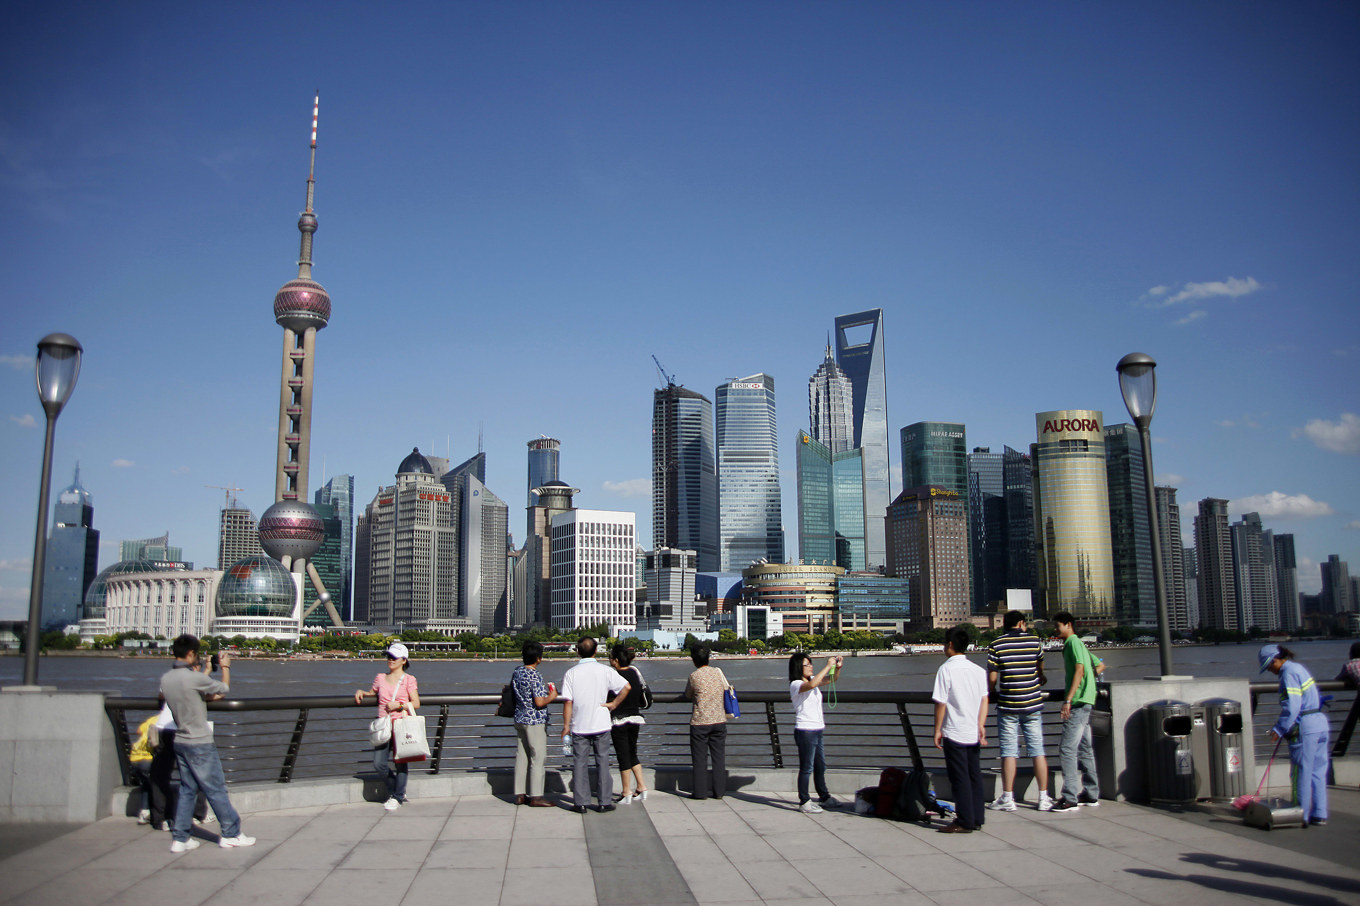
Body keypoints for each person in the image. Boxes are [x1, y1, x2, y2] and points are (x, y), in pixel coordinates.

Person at [159, 634, 255, 853]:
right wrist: (225, 667)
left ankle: (181, 838)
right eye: (197, 654)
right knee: (216, 789)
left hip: (180, 740)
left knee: (187, 789)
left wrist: (205, 671)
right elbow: (223, 690)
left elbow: (197, 694)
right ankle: (231, 833)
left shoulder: (167, 679)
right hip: (200, 742)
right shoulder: (193, 679)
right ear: (191, 653)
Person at [984, 611, 1053, 812]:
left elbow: (993, 677)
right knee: (1038, 751)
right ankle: (1043, 797)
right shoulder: (1034, 641)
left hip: (1008, 704)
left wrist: (991, 692)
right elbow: (1039, 663)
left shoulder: (996, 644)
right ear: (1021, 623)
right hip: (1032, 703)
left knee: (1008, 752)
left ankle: (1008, 797)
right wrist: (1039, 676)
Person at [1260, 644, 1329, 827]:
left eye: (1269, 666)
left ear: (1276, 660)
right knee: (1318, 771)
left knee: (1301, 772)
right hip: (1320, 722)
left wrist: (1279, 729)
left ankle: (1301, 814)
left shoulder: (1287, 673)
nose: (1270, 670)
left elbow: (1293, 706)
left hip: (1305, 726)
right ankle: (1320, 814)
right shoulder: (1299, 668)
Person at [559, 637, 629, 813]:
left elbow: (568, 702)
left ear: (577, 651)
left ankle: (581, 802)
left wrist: (566, 725)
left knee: (579, 763)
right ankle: (604, 801)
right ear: (596, 651)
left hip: (579, 724)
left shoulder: (571, 673)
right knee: (603, 761)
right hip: (601, 723)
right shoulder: (605, 671)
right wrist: (613, 704)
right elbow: (626, 687)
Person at [932, 627, 989, 834]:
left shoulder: (946, 670)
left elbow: (941, 703)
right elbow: (985, 700)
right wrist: (981, 725)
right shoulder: (978, 670)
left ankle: (964, 820)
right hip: (973, 731)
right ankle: (977, 817)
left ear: (950, 645)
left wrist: (937, 729)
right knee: (974, 775)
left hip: (954, 731)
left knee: (959, 778)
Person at [354, 641, 421, 811]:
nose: (390, 660)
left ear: (404, 660)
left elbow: (416, 703)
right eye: (388, 656)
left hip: (401, 725)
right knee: (379, 764)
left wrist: (399, 705)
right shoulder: (380, 678)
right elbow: (372, 693)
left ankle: (397, 797)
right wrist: (362, 692)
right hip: (383, 726)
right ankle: (396, 790)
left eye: (394, 657)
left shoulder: (409, 680)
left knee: (401, 763)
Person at [1051, 612, 1100, 812]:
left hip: (1079, 702)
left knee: (1067, 749)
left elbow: (1079, 669)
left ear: (1068, 625)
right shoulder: (1080, 644)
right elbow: (1099, 665)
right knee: (1085, 749)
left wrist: (1068, 700)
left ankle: (1070, 797)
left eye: (1057, 626)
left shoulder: (1072, 643)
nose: (1055, 630)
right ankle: (1091, 794)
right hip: (1087, 700)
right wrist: (1090, 683)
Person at [788, 651, 843, 814]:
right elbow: (811, 686)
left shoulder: (812, 679)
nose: (811, 666)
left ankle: (824, 797)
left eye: (811, 663)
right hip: (805, 730)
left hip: (817, 728)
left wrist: (837, 668)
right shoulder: (796, 684)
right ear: (799, 667)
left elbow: (831, 679)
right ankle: (804, 801)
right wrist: (827, 666)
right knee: (807, 767)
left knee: (820, 765)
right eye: (807, 664)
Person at [511, 640, 558, 807]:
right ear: (539, 658)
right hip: (535, 721)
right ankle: (536, 796)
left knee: (522, 756)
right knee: (537, 757)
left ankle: (519, 794)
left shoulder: (517, 672)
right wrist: (552, 696)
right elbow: (539, 702)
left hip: (520, 718)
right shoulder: (535, 675)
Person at [683, 644, 730, 800]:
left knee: (699, 759)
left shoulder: (694, 676)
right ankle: (719, 791)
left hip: (700, 721)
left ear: (694, 659)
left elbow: (688, 694)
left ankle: (701, 792)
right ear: (708, 658)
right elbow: (726, 688)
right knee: (718, 758)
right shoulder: (717, 673)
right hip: (719, 720)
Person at [609, 644, 649, 804]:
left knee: (623, 755)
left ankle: (626, 791)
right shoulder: (634, 672)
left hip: (619, 719)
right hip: (635, 717)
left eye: (611, 658)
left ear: (616, 660)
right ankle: (642, 787)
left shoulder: (614, 676)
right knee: (632, 752)